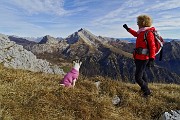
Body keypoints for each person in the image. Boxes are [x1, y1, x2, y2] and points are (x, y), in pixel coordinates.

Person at [123, 14, 156, 97]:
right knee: (143, 73)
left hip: (144, 58)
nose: (137, 24)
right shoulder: (141, 32)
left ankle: (147, 91)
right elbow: (135, 34)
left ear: (143, 22)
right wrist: (128, 29)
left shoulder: (148, 33)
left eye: (138, 22)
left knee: (138, 77)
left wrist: (152, 58)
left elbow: (152, 46)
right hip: (138, 57)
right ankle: (144, 89)